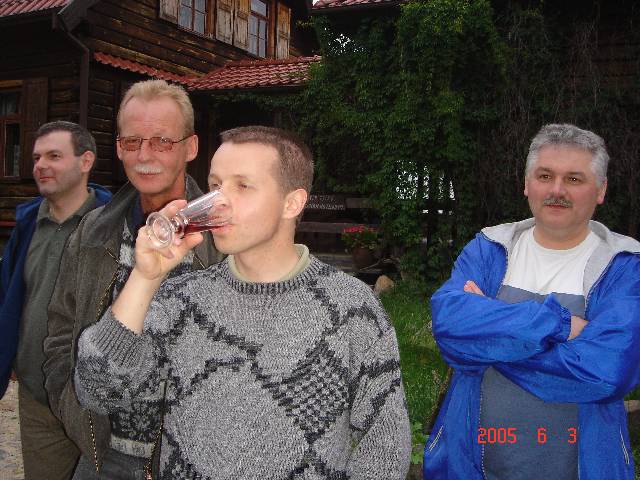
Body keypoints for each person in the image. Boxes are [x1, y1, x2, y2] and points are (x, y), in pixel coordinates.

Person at [73, 126, 412, 479]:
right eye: (215, 185)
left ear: (292, 203)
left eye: (242, 186)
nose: (219, 201)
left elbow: (386, 445)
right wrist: (144, 279)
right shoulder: (180, 299)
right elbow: (98, 392)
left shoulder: (352, 308)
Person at [423, 123, 640, 480]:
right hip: (470, 468)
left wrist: (488, 341)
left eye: (574, 179)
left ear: (600, 190)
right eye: (545, 176)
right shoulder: (489, 249)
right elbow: (449, 328)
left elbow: (606, 372)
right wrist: (562, 325)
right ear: (527, 184)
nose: (557, 190)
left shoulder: (625, 266)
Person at [42, 80, 224, 479]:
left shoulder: (223, 239)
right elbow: (60, 330)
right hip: (103, 457)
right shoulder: (93, 232)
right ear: (119, 147)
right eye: (132, 141)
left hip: (190, 461)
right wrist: (72, 405)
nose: (144, 155)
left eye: (162, 141)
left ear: (191, 147)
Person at [0, 121, 112, 479]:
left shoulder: (115, 226)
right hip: (38, 399)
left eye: (53, 156)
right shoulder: (27, 225)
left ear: (85, 161)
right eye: (36, 158)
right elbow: (9, 301)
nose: (40, 166)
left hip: (97, 403)